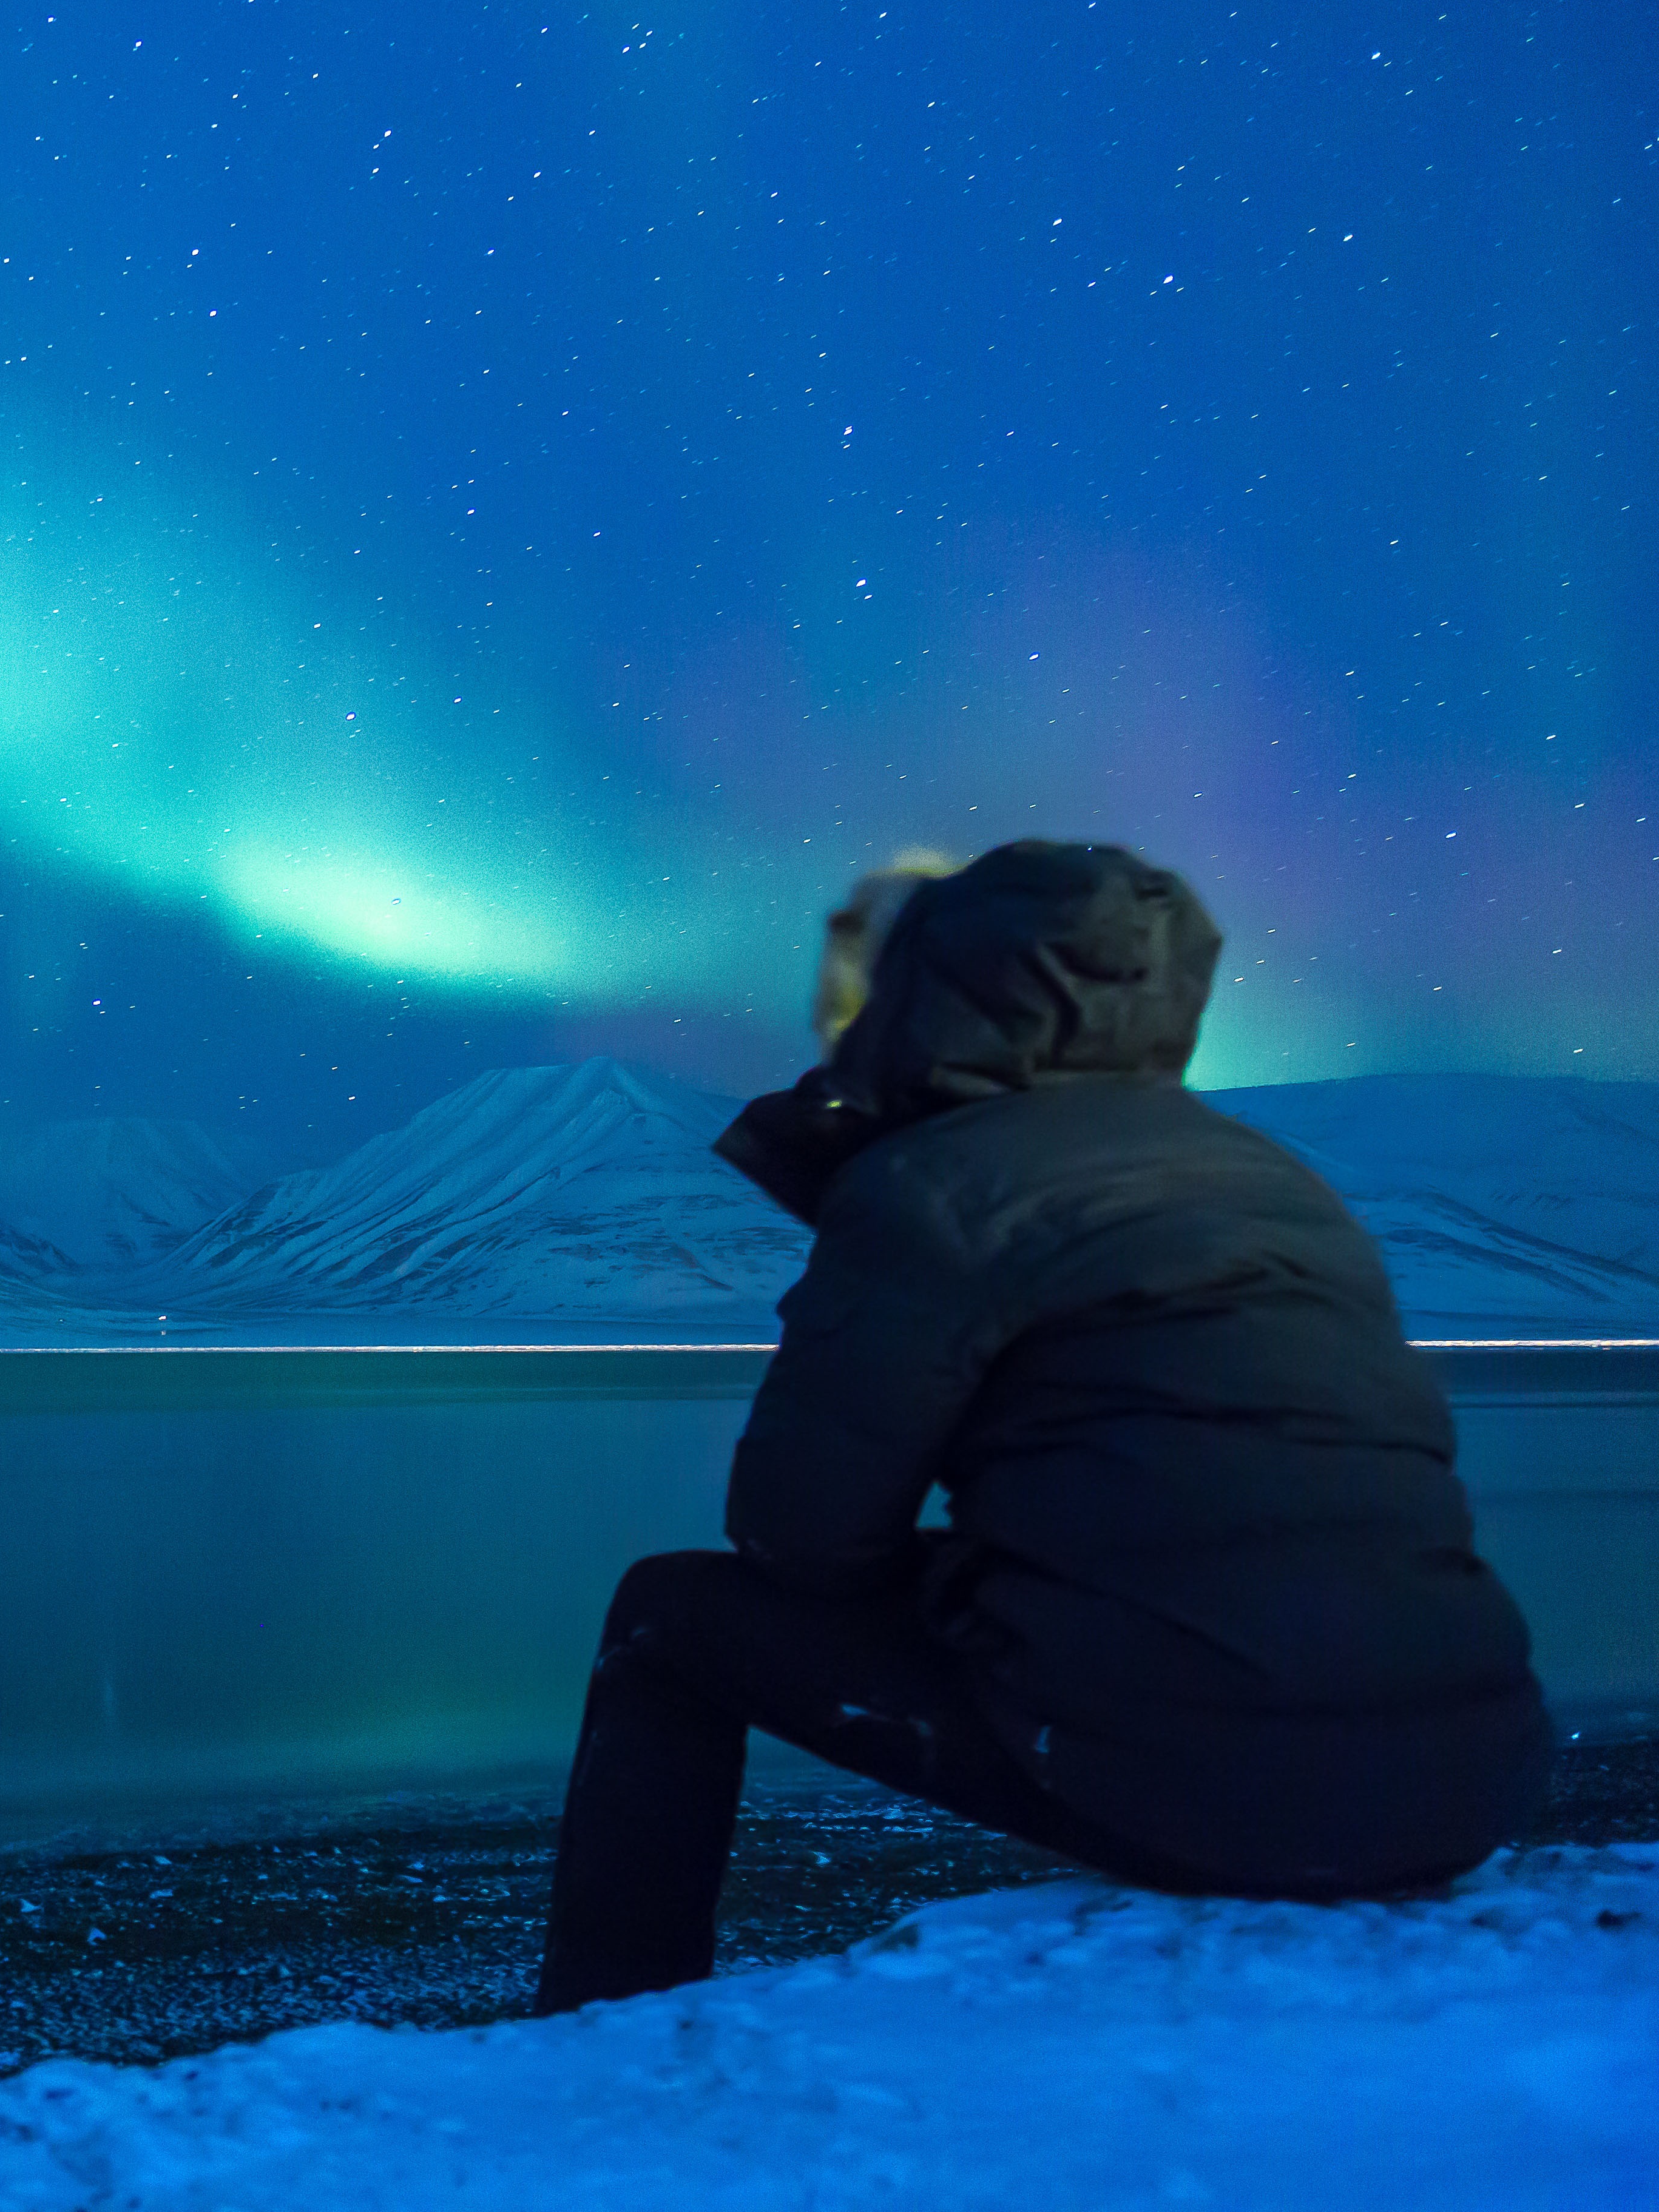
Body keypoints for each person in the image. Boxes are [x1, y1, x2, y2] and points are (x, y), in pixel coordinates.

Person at [526, 838, 1552, 2017]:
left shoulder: (935, 1185)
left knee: (667, 1616)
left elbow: (799, 1539)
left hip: (1244, 1808)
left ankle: (602, 2019)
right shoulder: (1273, 1180)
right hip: (1469, 1786)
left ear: (931, 993)